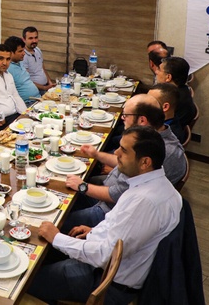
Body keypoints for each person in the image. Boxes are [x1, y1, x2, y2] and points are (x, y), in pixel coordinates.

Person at [28, 125, 182, 305]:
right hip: (108, 265)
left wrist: (57, 238)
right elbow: (121, 228)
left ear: (145, 162)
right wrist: (94, 231)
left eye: (124, 150)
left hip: (105, 282)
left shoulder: (145, 202)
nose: (116, 153)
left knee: (27, 278)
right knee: (43, 254)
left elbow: (105, 255)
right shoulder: (157, 186)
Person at [61, 94, 187, 232]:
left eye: (125, 115)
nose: (122, 118)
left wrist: (83, 187)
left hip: (112, 211)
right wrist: (96, 154)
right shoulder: (152, 136)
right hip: (108, 192)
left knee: (60, 220)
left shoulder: (161, 151)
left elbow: (116, 194)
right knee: (64, 191)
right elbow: (127, 162)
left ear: (142, 120)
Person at [155, 56, 196, 128]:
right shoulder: (183, 89)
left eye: (159, 69)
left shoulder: (171, 100)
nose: (156, 72)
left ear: (168, 77)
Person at [5, 35, 41, 105]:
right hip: (27, 103)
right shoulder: (8, 69)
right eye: (20, 51)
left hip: (38, 99)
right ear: (10, 53)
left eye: (23, 50)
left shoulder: (21, 62)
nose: (24, 53)